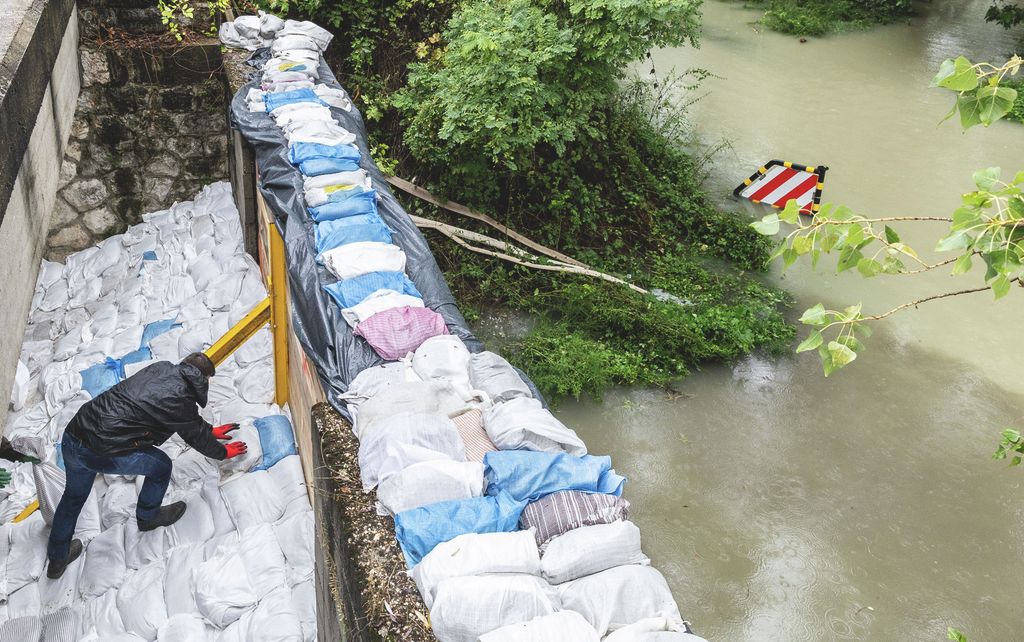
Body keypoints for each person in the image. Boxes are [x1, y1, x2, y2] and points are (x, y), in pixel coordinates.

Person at [45, 352, 248, 579]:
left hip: (75, 434)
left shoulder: (161, 367)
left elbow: (186, 419)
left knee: (73, 497)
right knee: (161, 467)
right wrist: (222, 452)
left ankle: (57, 558)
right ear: (204, 378)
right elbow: (193, 433)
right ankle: (148, 516)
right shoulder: (181, 398)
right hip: (100, 450)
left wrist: (209, 430)